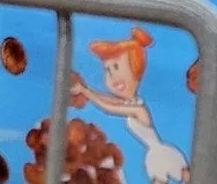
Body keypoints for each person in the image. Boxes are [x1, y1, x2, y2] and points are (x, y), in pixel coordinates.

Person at [72, 28, 190, 184]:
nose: (112, 76)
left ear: (135, 69)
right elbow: (108, 100)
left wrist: (86, 92)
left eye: (116, 67)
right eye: (107, 70)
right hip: (155, 152)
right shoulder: (131, 103)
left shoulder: (138, 110)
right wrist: (86, 90)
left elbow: (109, 107)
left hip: (159, 152)